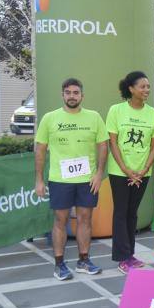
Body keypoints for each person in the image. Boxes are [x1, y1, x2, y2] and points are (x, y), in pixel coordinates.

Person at [35, 78, 107, 280]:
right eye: (68, 92)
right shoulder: (50, 118)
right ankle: (59, 264)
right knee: (60, 220)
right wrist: (39, 180)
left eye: (76, 92)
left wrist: (99, 173)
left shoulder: (94, 117)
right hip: (60, 179)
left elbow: (103, 145)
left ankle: (84, 260)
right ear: (62, 95)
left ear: (82, 96)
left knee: (85, 219)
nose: (72, 96)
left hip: (87, 180)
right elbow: (40, 150)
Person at [106, 71, 154, 274]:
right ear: (131, 89)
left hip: (142, 172)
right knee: (121, 213)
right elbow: (113, 142)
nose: (146, 90)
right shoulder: (116, 110)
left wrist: (145, 169)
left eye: (148, 87)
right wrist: (126, 170)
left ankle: (129, 254)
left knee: (132, 213)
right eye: (142, 86)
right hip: (120, 172)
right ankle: (122, 257)